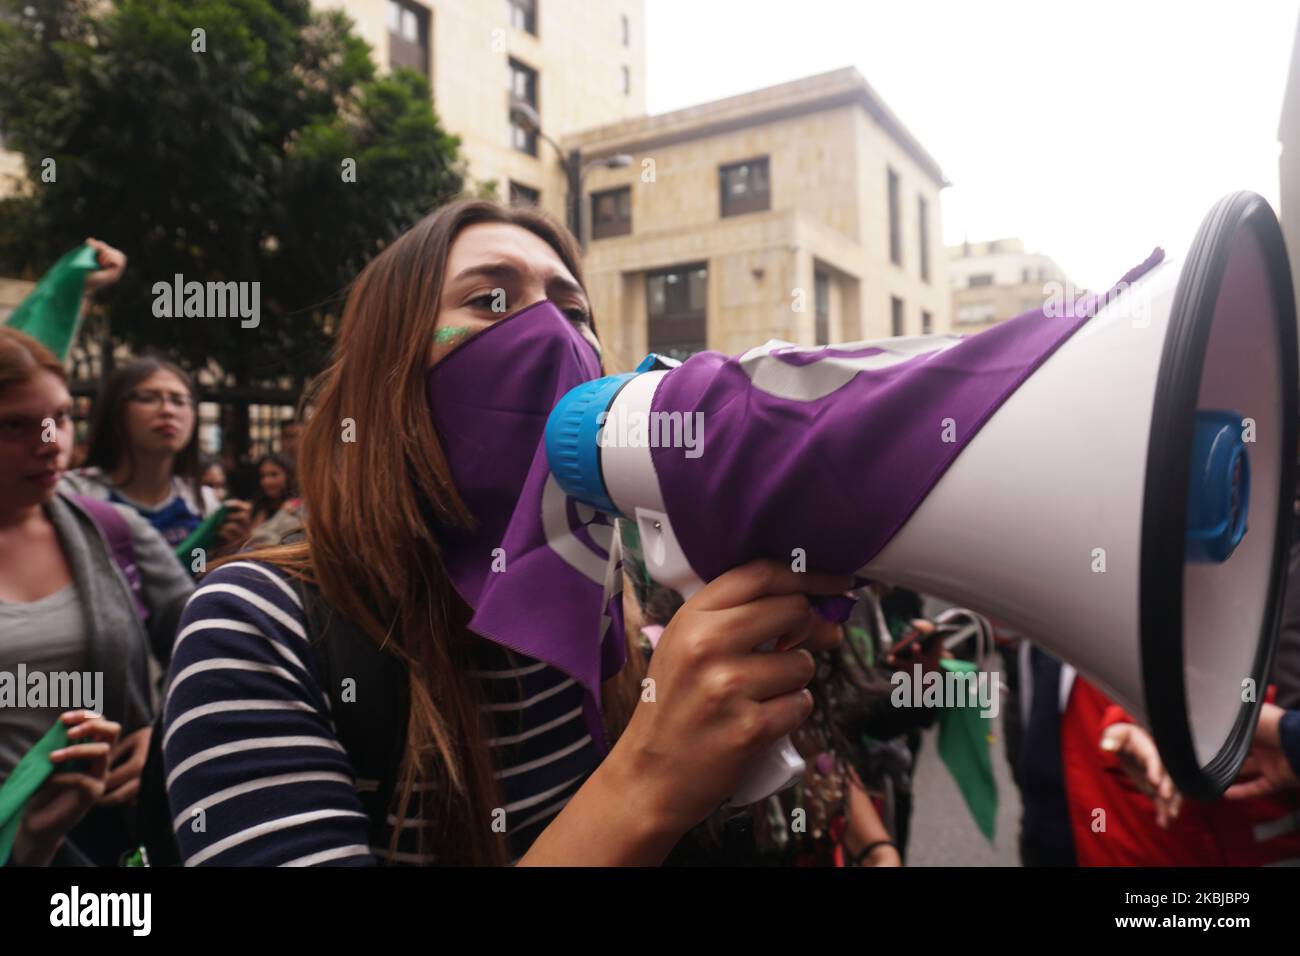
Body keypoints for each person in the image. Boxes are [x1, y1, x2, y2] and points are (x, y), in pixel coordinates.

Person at [162, 199, 852, 866]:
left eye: (574, 311)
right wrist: (651, 777)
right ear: (386, 369)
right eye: (490, 300)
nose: (552, 332)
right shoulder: (253, 625)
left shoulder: (614, 607)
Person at [0, 328, 194, 864]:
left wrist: (161, 735)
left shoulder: (113, 531)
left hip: (113, 843)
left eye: (60, 417)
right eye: (15, 424)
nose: (50, 441)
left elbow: (211, 646)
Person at [64, 357, 250, 552]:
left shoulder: (204, 504)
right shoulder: (73, 495)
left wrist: (228, 551)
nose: (168, 410)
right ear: (115, 410)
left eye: (179, 401)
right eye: (148, 398)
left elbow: (203, 574)